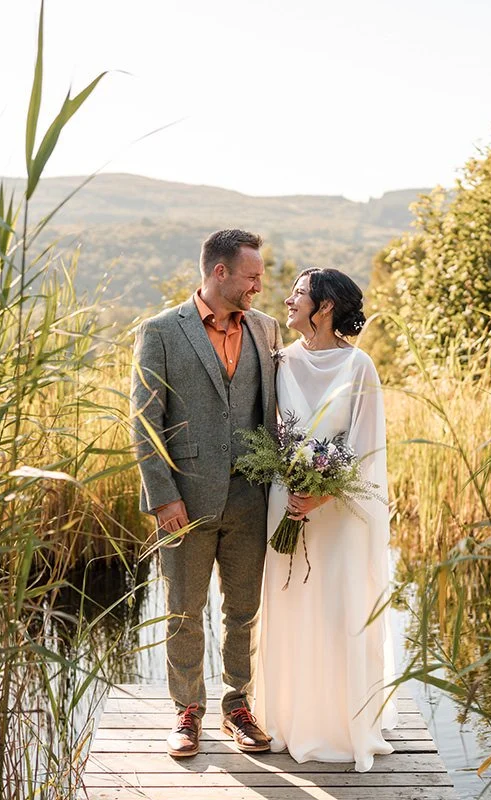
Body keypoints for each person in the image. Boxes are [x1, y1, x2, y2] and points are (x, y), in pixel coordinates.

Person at [129, 229, 283, 758]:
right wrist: (163, 496)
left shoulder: (266, 330)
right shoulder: (161, 331)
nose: (260, 285)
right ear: (220, 273)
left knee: (243, 611)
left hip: (251, 500)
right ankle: (187, 711)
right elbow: (143, 420)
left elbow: (275, 412)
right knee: (183, 609)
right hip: (185, 501)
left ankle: (237, 706)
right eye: (252, 276)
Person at [254, 267, 397, 772]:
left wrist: (323, 495)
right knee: (291, 609)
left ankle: (338, 725)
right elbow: (267, 436)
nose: (288, 301)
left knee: (337, 611)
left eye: (297, 294)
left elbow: (365, 450)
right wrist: (294, 492)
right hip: (284, 505)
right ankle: (290, 721)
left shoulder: (360, 368)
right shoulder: (277, 362)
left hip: (339, 516)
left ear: (326, 305)